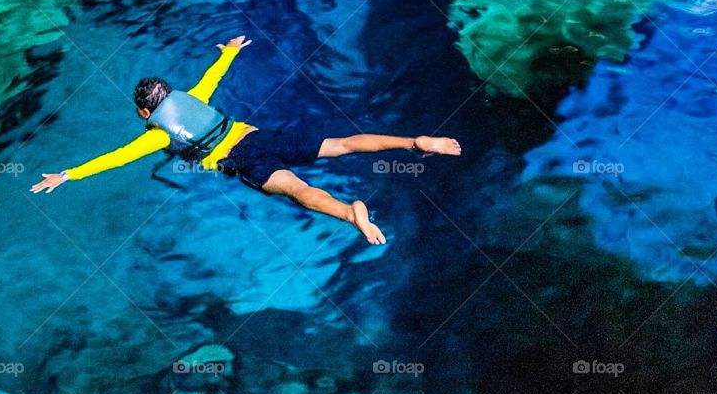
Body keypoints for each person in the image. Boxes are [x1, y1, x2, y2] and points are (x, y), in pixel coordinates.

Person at [32, 36, 461, 244]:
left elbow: (113, 159)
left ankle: (351, 215)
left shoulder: (153, 138)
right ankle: (415, 142)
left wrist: (67, 174)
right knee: (343, 143)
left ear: (145, 112)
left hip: (244, 162)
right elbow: (212, 76)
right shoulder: (194, 97)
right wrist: (230, 51)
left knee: (299, 190)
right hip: (259, 135)